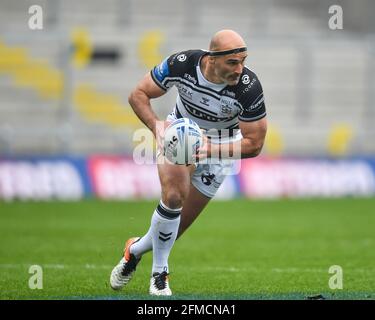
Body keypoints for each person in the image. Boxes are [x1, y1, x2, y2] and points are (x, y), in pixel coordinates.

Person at [110, 29, 267, 296]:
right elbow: (138, 94)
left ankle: (134, 249)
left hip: (220, 149)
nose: (240, 69)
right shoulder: (182, 64)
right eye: (233, 62)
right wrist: (157, 127)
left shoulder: (248, 87)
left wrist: (209, 149)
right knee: (172, 198)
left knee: (173, 229)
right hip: (180, 135)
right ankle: (159, 276)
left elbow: (254, 144)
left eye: (243, 61)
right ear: (212, 59)